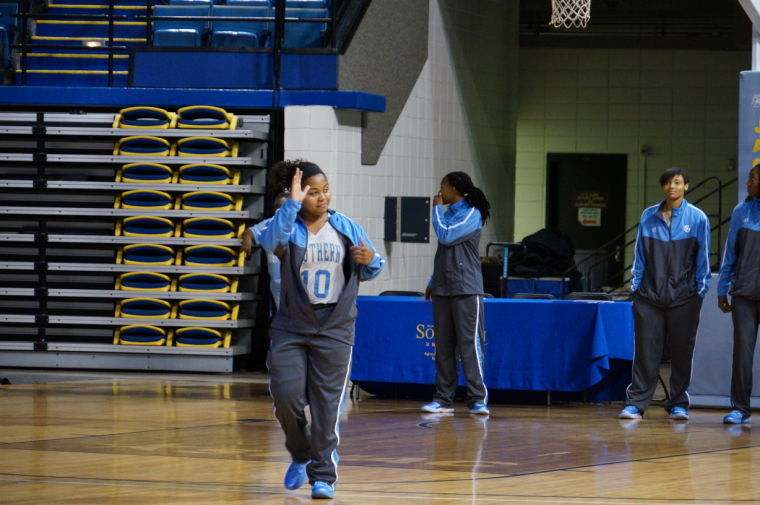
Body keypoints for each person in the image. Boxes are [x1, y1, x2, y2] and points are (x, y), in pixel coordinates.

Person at [256, 160, 384, 499]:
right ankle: (301, 452)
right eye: (313, 192)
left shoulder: (346, 226)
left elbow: (374, 267)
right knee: (285, 395)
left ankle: (323, 474)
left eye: (325, 190)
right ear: (298, 194)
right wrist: (292, 204)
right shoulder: (288, 226)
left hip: (335, 328)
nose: (322, 197)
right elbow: (269, 241)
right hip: (292, 326)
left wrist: (369, 259)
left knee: (327, 408)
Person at [619, 167, 711, 421]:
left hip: (684, 297)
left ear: (686, 186)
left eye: (678, 182)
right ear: (663, 187)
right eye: (668, 183)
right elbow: (639, 256)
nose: (672, 187)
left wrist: (699, 291)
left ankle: (678, 403)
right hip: (649, 297)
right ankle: (636, 403)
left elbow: (702, 258)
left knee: (682, 351)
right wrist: (636, 287)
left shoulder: (698, 218)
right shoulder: (649, 216)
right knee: (646, 351)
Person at [421, 171, 491, 416]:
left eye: (443, 185)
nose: (440, 191)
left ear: (454, 188)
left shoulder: (472, 213)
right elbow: (445, 252)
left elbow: (447, 236)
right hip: (443, 287)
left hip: (466, 287)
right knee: (443, 346)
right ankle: (443, 399)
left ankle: (477, 399)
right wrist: (433, 279)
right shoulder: (446, 214)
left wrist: (437, 210)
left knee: (470, 345)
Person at [717, 164, 760, 425]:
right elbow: (729, 254)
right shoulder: (741, 211)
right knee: (742, 355)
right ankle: (740, 408)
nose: (747, 183)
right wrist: (723, 289)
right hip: (744, 295)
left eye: (752, 178)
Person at [242, 192, 288, 311]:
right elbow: (251, 231)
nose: (280, 210)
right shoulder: (269, 224)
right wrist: (247, 238)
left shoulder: (298, 225)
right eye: (277, 207)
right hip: (277, 285)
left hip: (296, 285)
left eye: (283, 207)